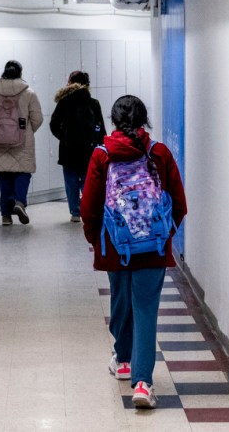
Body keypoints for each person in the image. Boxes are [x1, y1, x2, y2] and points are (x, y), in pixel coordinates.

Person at [80, 95, 187, 410]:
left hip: (115, 246)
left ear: (113, 121)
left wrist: (97, 241)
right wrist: (160, 235)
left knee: (121, 300)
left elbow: (89, 209)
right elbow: (179, 204)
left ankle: (123, 360)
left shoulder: (102, 156)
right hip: (152, 249)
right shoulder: (159, 153)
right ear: (144, 121)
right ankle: (143, 384)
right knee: (145, 310)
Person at [0, 60, 43, 226]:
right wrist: (27, 132)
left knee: (4, 177)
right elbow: (37, 119)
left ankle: (6, 216)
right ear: (20, 73)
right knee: (23, 173)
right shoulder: (29, 93)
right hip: (23, 143)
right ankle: (19, 202)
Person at [49, 70, 106, 222]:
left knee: (71, 182)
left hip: (68, 151)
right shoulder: (93, 103)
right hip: (89, 149)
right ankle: (88, 210)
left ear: (70, 83)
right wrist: (102, 145)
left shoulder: (64, 102)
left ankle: (75, 212)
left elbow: (54, 124)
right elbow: (100, 126)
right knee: (88, 182)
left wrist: (65, 137)